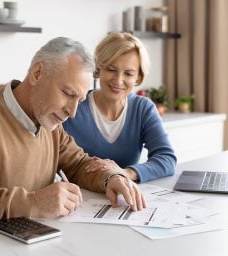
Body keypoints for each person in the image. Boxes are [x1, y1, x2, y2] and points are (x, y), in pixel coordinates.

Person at [0, 37, 146, 223]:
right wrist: (32, 203)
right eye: (68, 94)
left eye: (79, 100)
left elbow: (79, 165)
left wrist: (110, 178)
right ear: (38, 73)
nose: (72, 112)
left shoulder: (48, 122)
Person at [63, 32, 177, 183]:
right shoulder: (73, 106)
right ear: (99, 68)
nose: (118, 80)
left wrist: (125, 173)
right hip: (80, 198)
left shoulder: (143, 109)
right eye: (111, 69)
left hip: (125, 197)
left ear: (138, 77)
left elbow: (167, 159)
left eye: (128, 73)